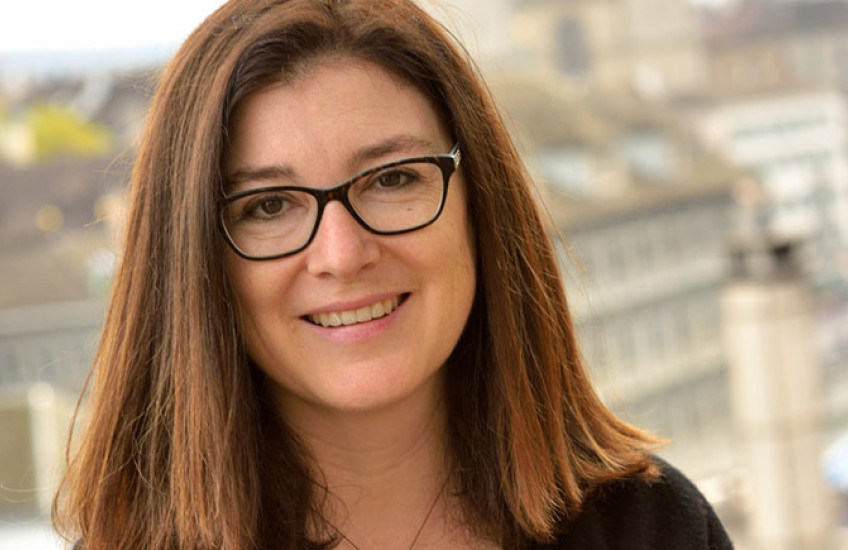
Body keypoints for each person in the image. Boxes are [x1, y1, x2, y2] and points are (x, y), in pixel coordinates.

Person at [54, 1, 734, 549]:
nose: (343, 254)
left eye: (393, 179)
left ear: (481, 208)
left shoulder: (652, 529)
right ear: (197, 262)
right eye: (268, 205)